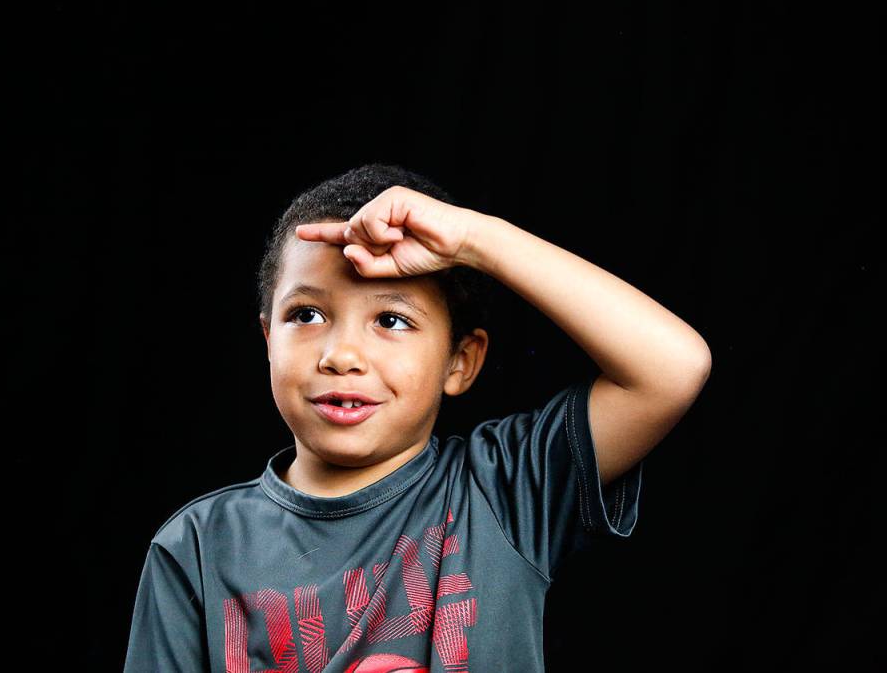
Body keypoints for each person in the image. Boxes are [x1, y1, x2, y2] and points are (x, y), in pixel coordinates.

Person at [122, 163, 711, 672]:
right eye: (305, 314)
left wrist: (473, 240)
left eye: (392, 320)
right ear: (266, 339)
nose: (341, 355)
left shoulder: (502, 489)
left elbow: (671, 368)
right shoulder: (196, 545)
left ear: (461, 361)